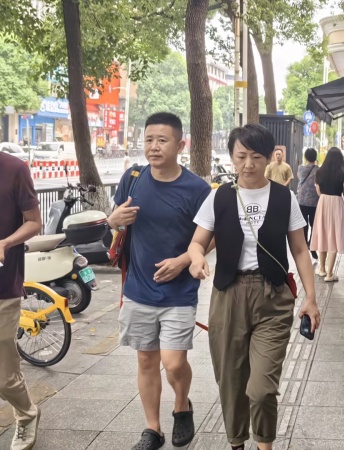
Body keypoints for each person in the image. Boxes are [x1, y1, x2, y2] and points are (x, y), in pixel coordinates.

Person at [188, 124, 321, 450]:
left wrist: (311, 298)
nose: (248, 164)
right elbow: (197, 242)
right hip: (228, 294)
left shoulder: (284, 197)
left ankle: (264, 444)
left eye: (256, 157)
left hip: (272, 296)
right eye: (241, 156)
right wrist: (196, 258)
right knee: (230, 381)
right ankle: (237, 442)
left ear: (270, 157)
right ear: (232, 157)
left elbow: (300, 249)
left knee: (261, 389)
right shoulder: (219, 197)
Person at [108, 112, 211, 450]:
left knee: (174, 362)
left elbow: (212, 236)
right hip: (138, 288)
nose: (154, 147)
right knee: (146, 360)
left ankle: (182, 405)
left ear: (180, 145)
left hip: (179, 291)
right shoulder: (133, 178)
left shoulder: (197, 189)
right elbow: (115, 223)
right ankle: (152, 429)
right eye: (149, 139)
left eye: (162, 140)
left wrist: (183, 261)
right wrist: (113, 219)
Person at [0, 152, 43, 450]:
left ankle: (27, 414)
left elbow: (34, 222)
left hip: (3, 287)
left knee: (4, 377)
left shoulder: (14, 169)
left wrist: (6, 242)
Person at [311, 147, 344, 282]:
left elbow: (318, 192)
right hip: (336, 203)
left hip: (323, 203)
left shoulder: (319, 172)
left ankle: (322, 269)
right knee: (334, 236)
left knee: (322, 234)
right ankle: (329, 274)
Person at [297, 148, 319, 260]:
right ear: (315, 157)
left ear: (305, 157)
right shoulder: (318, 170)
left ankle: (304, 246)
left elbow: (299, 178)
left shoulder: (300, 169)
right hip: (315, 201)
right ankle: (312, 244)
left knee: (303, 224)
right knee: (314, 225)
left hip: (302, 200)